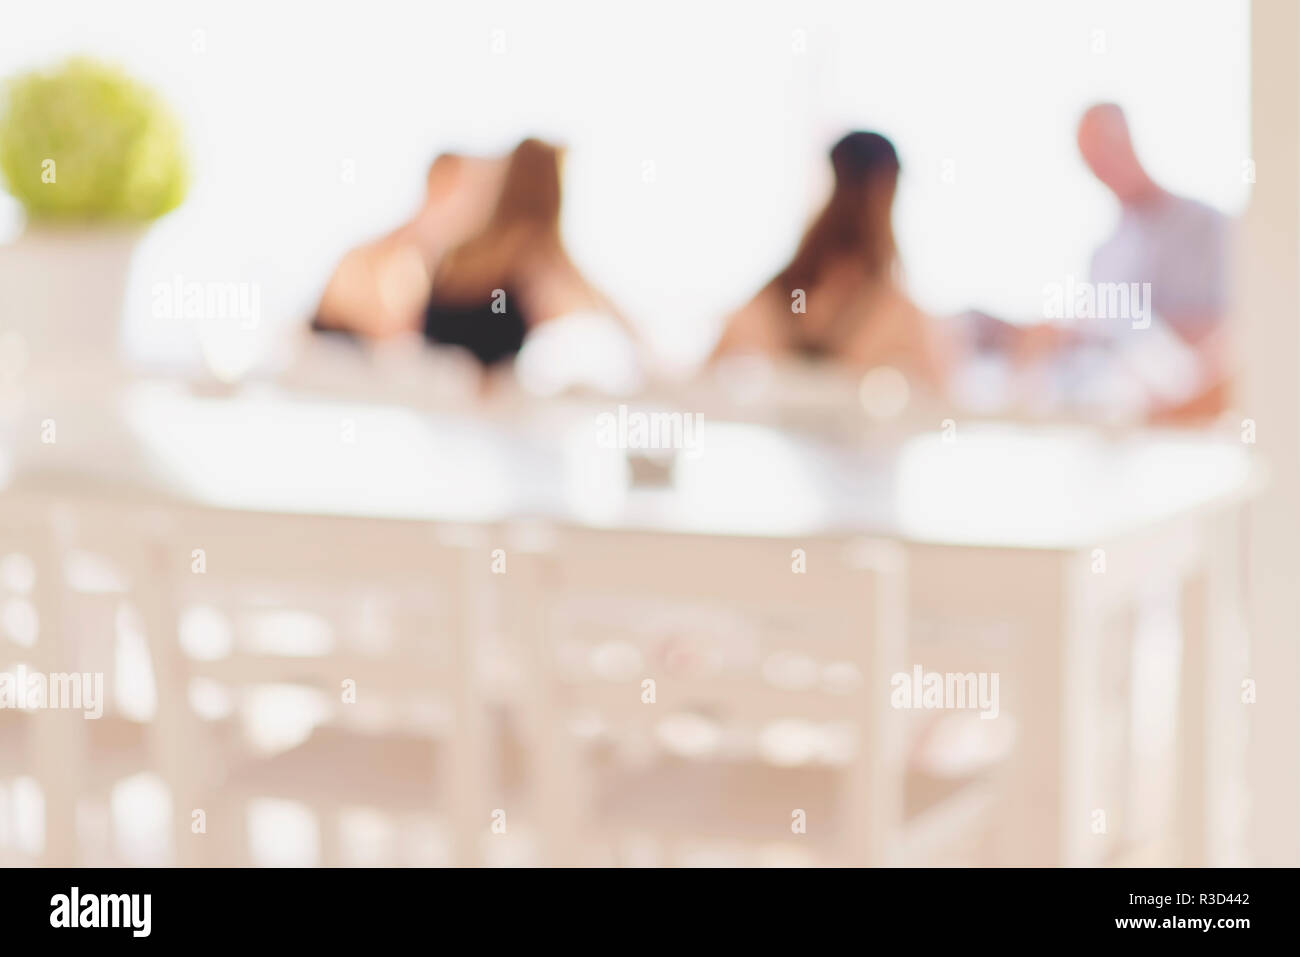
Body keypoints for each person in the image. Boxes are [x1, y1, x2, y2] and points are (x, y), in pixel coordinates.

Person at [711, 131, 952, 389]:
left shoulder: (771, 299)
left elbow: (702, 381)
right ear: (885, 191)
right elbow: (941, 397)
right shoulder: (898, 314)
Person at [1074, 102, 1232, 421]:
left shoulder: (1209, 227)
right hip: (1123, 420)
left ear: (1130, 141)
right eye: (1093, 160)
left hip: (1199, 414)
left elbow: (1234, 326)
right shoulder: (1104, 256)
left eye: (1108, 148)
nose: (1103, 166)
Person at [312, 152, 506, 340]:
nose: (476, 205)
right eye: (466, 190)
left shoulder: (449, 263)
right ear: (439, 184)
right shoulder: (395, 254)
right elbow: (385, 329)